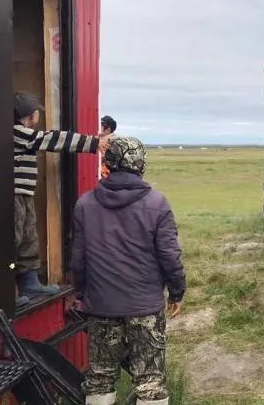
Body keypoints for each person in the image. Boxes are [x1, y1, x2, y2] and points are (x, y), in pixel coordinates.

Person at [69, 136, 186, 405]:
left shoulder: (85, 204)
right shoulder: (157, 203)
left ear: (108, 164)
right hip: (144, 307)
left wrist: (83, 294)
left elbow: (78, 260)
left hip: (100, 305)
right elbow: (169, 256)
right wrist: (177, 292)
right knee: (151, 380)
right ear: (141, 164)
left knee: (99, 377)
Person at [13, 91, 107, 306]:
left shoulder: (22, 133)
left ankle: (29, 282)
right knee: (12, 242)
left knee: (28, 240)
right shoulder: (19, 133)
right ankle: (4, 291)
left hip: (23, 196)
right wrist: (92, 143)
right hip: (14, 197)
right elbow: (53, 139)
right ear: (31, 113)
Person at [99, 115, 117, 179]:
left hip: (106, 178)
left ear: (108, 130)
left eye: (101, 125)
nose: (98, 127)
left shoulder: (110, 142)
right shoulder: (102, 140)